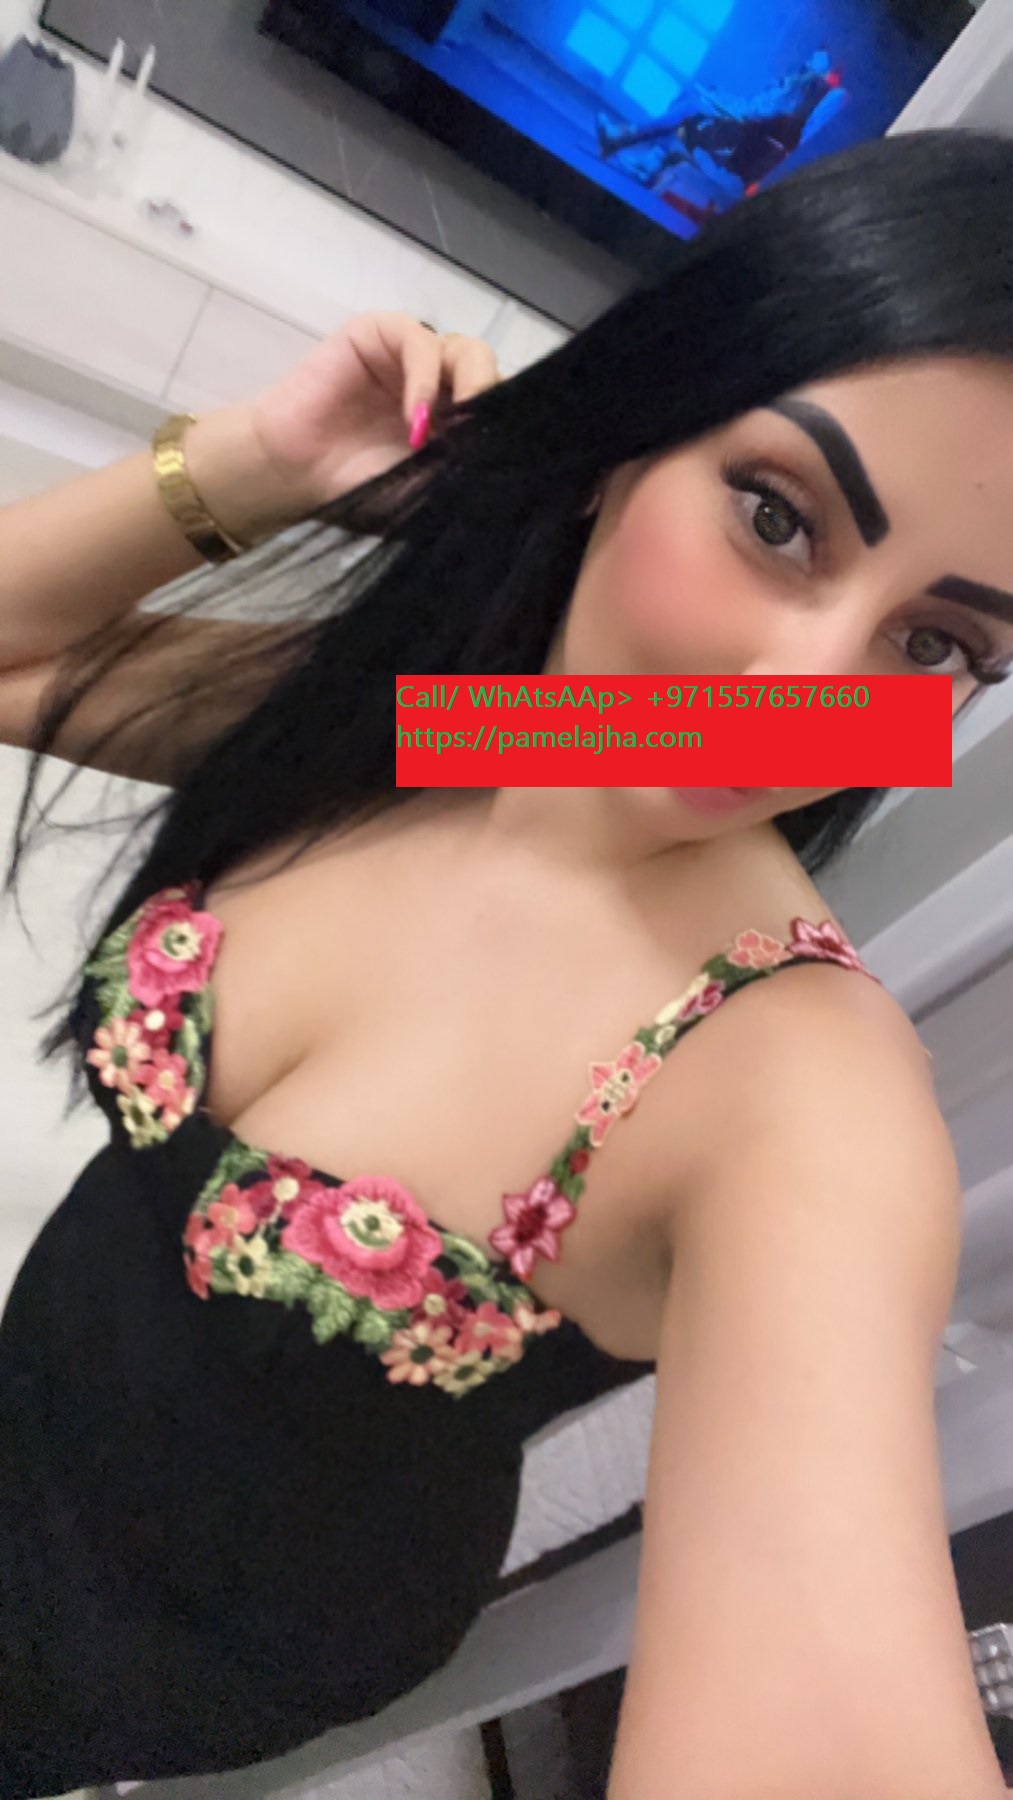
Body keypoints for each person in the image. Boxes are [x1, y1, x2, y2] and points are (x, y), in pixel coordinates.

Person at [1, 129, 1012, 1799]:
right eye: (776, 516)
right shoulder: (468, 730)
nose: (802, 694)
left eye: (934, 644)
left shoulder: (793, 1091)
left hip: (164, 1641)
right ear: (626, 442)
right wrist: (254, 463)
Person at [597, 46, 846, 188]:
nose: (805, 63)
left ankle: (628, 139)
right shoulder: (790, 86)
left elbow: (758, 116)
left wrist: (723, 106)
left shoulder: (798, 99)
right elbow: (752, 105)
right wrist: (721, 98)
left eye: (811, 64)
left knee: (690, 108)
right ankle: (651, 160)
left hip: (741, 135)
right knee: (691, 97)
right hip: (739, 120)